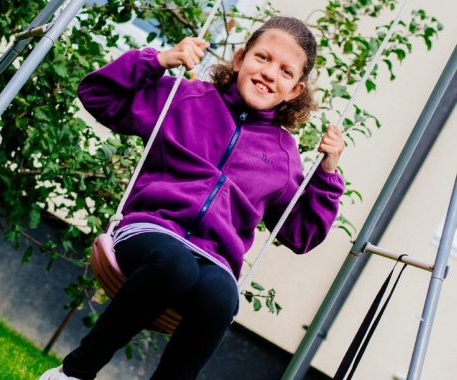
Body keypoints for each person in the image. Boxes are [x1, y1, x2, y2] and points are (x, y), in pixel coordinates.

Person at [40, 15, 345, 380]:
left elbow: (301, 234)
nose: (268, 73)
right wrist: (158, 61)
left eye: (284, 70)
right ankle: (75, 372)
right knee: (174, 265)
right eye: (262, 58)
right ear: (240, 59)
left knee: (221, 299)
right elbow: (97, 94)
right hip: (149, 231)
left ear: (295, 90)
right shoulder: (184, 98)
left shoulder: (284, 156)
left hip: (214, 258)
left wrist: (327, 175)